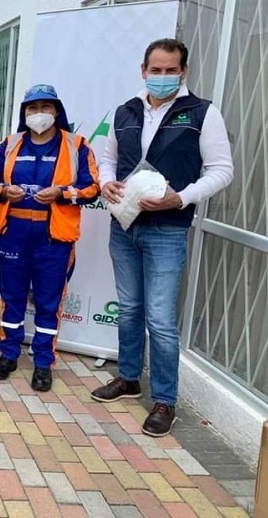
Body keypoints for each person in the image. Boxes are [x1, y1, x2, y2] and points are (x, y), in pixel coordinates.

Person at [91, 38, 234, 437]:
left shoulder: (202, 113)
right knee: (129, 308)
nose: (163, 76)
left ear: (183, 72)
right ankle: (128, 378)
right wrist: (105, 183)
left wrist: (181, 198)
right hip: (125, 225)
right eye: (156, 70)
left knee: (160, 319)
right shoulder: (126, 111)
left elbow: (222, 170)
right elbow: (108, 159)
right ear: (144, 70)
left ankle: (164, 401)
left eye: (171, 70)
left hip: (168, 230)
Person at [0, 84, 100, 392]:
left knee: (48, 302)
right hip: (14, 232)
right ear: (24, 113)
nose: (39, 113)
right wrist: (4, 190)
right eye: (32, 108)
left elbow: (92, 189)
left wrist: (61, 193)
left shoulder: (77, 145)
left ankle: (43, 362)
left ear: (57, 111)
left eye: (46, 107)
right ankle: (8, 354)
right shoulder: (10, 144)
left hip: (54, 238)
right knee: (11, 297)